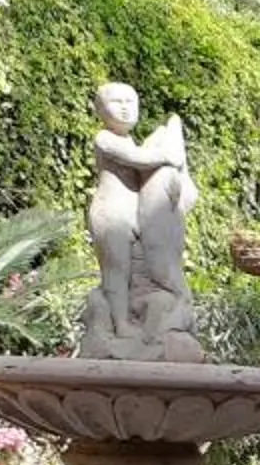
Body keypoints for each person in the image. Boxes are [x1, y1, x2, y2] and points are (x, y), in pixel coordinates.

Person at [82, 82, 201, 360]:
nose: (125, 107)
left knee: (139, 269)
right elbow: (136, 159)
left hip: (134, 212)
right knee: (117, 270)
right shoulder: (105, 138)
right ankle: (120, 325)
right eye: (117, 102)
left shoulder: (132, 140)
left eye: (130, 102)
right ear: (100, 110)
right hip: (112, 213)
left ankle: (146, 320)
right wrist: (167, 156)